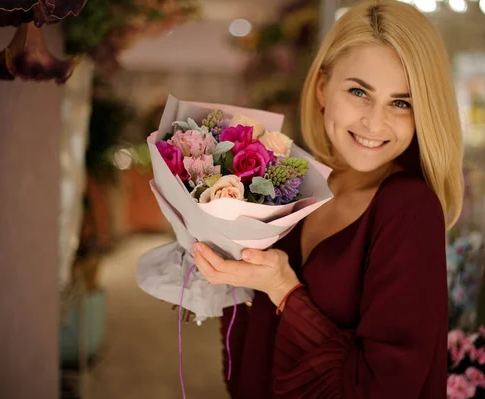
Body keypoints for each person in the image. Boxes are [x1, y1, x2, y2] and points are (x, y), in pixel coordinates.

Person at [192, 0, 463, 397]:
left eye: (401, 102)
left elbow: (381, 390)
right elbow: (248, 350)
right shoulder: (292, 186)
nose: (374, 122)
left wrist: (284, 289)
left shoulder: (410, 209)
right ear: (322, 89)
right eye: (358, 91)